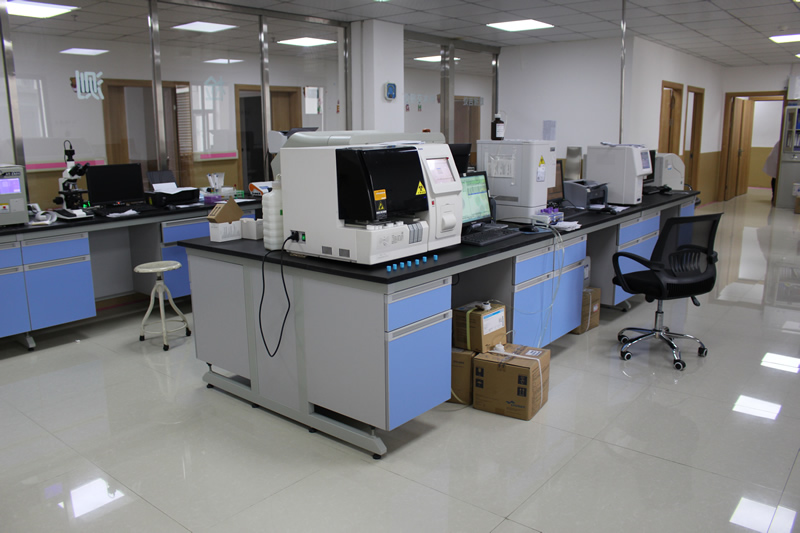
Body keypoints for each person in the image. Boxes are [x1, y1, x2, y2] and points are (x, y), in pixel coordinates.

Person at [763, 140, 780, 205]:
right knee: (775, 178)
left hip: (777, 160)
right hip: (776, 160)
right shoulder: (782, 141)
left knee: (775, 177)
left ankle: (775, 196)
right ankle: (774, 196)